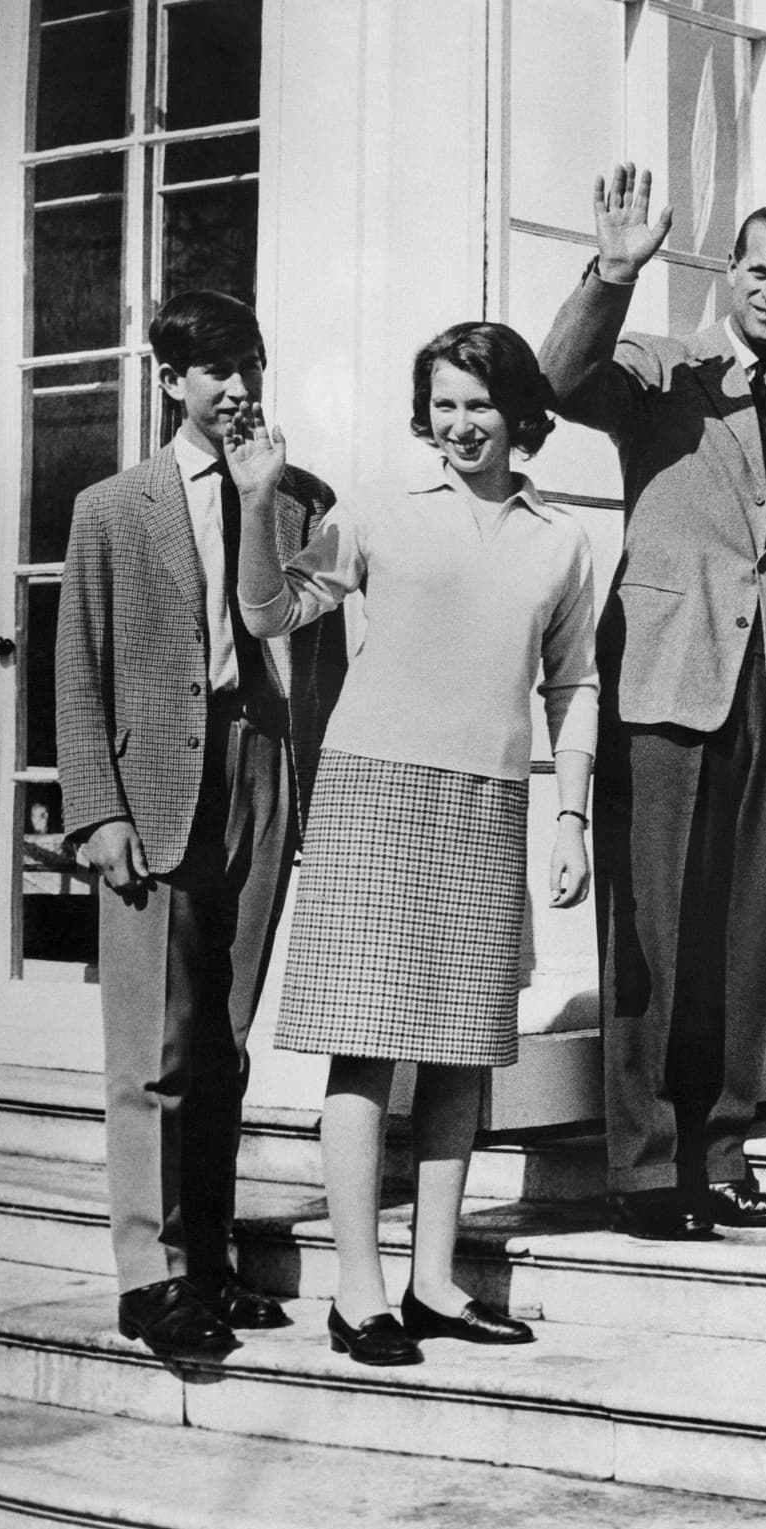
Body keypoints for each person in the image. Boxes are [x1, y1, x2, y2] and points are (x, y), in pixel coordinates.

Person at [229, 322, 597, 1365]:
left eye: (478, 403)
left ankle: (434, 1281)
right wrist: (259, 501)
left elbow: (573, 686)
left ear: (518, 411)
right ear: (421, 413)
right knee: (368, 1039)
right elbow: (267, 611)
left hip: (487, 800)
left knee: (459, 1051)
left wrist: (567, 816)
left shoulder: (562, 540)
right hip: (375, 789)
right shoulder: (379, 514)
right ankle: (358, 1291)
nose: (460, 423)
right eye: (442, 404)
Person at [540, 164, 766, 1241]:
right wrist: (611, 276)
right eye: (757, 271)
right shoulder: (661, 371)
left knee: (741, 936)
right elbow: (558, 380)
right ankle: (641, 1167)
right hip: (665, 679)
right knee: (653, 935)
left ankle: (720, 1156)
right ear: (729, 273)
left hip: (765, 696)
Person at [55, 290, 345, 1360]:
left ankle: (210, 1265)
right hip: (153, 789)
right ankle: (150, 1275)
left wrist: (267, 503)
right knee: (153, 1048)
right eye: (215, 369)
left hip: (259, 769)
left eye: (249, 366)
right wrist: (95, 810)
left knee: (221, 1040)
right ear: (170, 379)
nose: (237, 389)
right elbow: (76, 672)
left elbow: (312, 651)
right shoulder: (112, 507)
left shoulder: (302, 500)